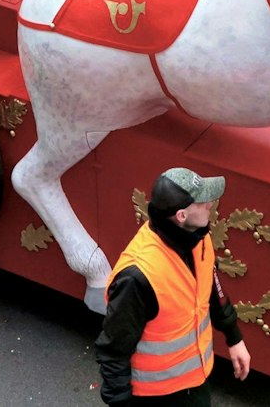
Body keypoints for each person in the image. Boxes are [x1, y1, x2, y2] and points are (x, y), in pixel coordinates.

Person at [96, 167, 251, 405]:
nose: (210, 204)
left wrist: (234, 338)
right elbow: (113, 352)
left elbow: (213, 291)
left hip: (195, 385)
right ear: (181, 215)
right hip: (155, 397)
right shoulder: (138, 277)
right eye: (202, 202)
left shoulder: (199, 238)